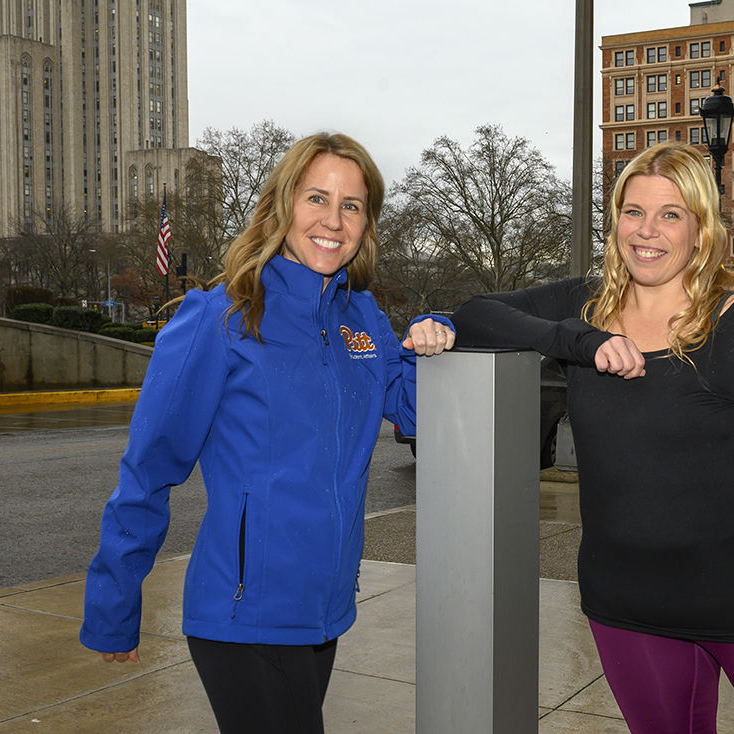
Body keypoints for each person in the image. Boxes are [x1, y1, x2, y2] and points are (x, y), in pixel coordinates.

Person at [451, 142, 734, 734]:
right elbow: (474, 312)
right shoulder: (584, 303)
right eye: (633, 212)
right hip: (627, 607)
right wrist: (583, 341)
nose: (647, 231)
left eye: (670, 214)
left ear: (701, 230)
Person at [80, 132, 454, 733]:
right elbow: (149, 468)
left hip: (324, 610)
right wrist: (113, 601)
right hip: (242, 611)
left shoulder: (361, 317)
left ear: (367, 222)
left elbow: (415, 414)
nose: (333, 221)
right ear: (282, 206)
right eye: (316, 199)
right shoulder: (220, 315)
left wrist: (434, 340)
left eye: (351, 205)